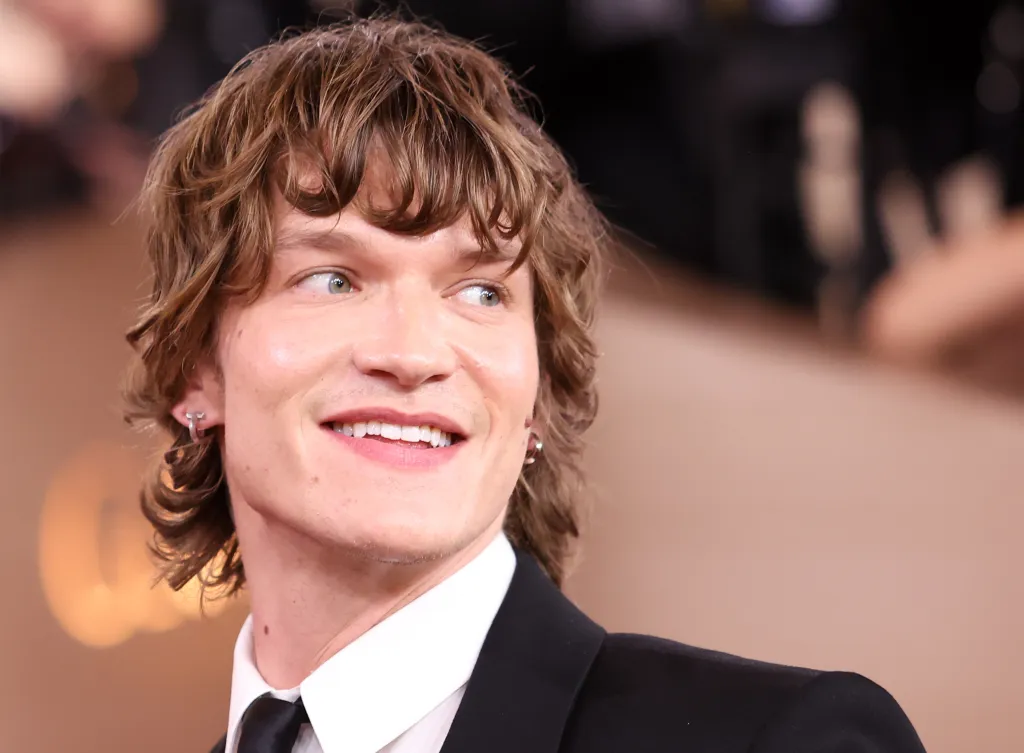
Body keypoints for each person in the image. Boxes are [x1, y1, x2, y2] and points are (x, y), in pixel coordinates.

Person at [124, 16, 927, 753]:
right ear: (195, 370)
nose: (414, 353)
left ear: (536, 396)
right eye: (334, 280)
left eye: (481, 292)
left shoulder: (787, 740)